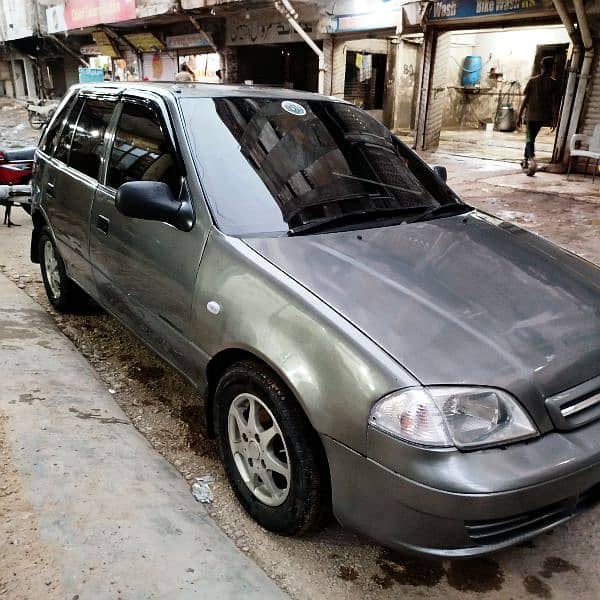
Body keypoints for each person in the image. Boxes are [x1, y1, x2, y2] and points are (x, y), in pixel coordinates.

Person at [517, 56, 560, 176]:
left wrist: (519, 115)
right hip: (542, 117)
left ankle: (532, 160)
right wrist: (554, 119)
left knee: (529, 138)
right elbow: (554, 104)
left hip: (531, 116)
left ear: (541, 66)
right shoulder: (553, 83)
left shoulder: (532, 80)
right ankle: (525, 160)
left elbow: (526, 100)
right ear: (552, 68)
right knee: (531, 138)